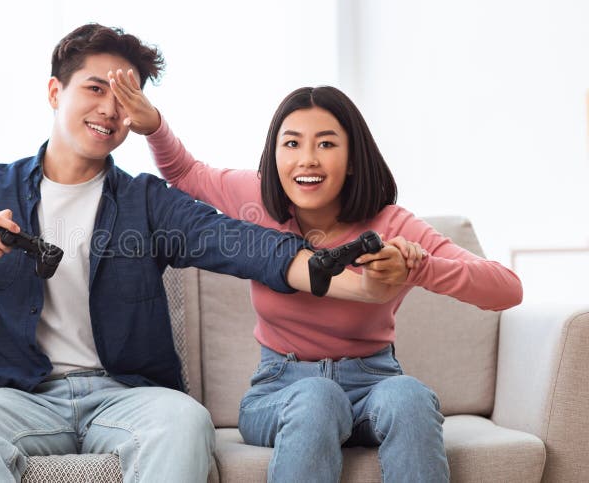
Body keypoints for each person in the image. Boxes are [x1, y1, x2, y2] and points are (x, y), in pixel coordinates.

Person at [0, 25, 408, 483]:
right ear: (55, 91)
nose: (109, 109)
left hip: (128, 396)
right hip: (21, 396)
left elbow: (242, 244)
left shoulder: (146, 201)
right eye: (96, 88)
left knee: (186, 422)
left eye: (124, 98)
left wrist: (352, 283)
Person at [109, 75, 523, 482]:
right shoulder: (255, 201)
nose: (307, 158)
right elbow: (185, 174)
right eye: (292, 143)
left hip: (374, 383)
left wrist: (419, 267)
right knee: (317, 397)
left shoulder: (392, 224)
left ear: (354, 158)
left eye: (326, 143)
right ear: (274, 155)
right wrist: (155, 126)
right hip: (281, 390)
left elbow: (506, 288)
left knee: (411, 397)